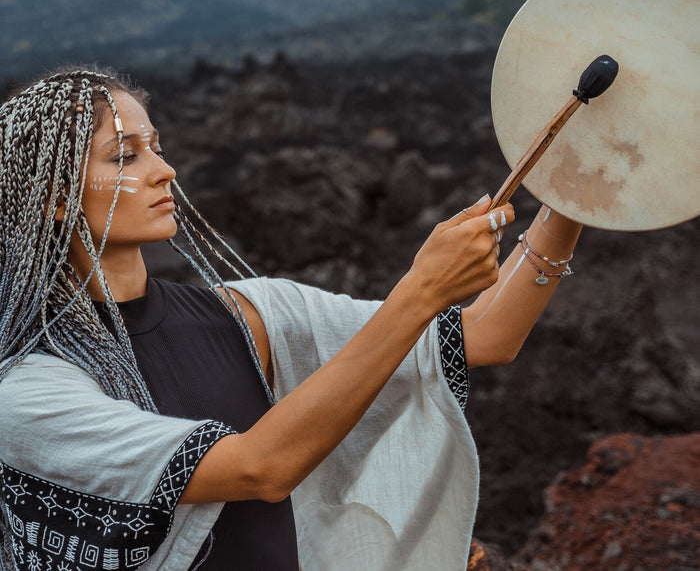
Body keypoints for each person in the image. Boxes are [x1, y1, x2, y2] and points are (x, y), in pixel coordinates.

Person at [0, 67, 581, 571]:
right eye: (127, 156)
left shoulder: (249, 316)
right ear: (53, 195)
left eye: (157, 146)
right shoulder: (27, 393)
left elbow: (484, 335)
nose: (165, 171)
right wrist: (420, 291)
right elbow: (261, 466)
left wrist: (574, 197)